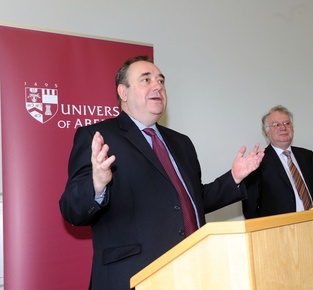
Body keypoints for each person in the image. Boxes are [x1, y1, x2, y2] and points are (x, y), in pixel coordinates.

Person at [59, 55, 264, 290]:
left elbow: (191, 202)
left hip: (193, 270)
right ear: (123, 93)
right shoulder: (98, 136)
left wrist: (234, 178)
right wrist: (96, 185)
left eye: (161, 81)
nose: (157, 86)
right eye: (146, 80)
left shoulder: (181, 142)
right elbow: (71, 210)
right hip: (134, 277)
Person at [242, 105, 313, 219]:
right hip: (279, 231)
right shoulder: (257, 161)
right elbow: (250, 209)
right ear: (266, 132)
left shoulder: (306, 156)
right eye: (276, 125)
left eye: (287, 123)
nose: (283, 128)